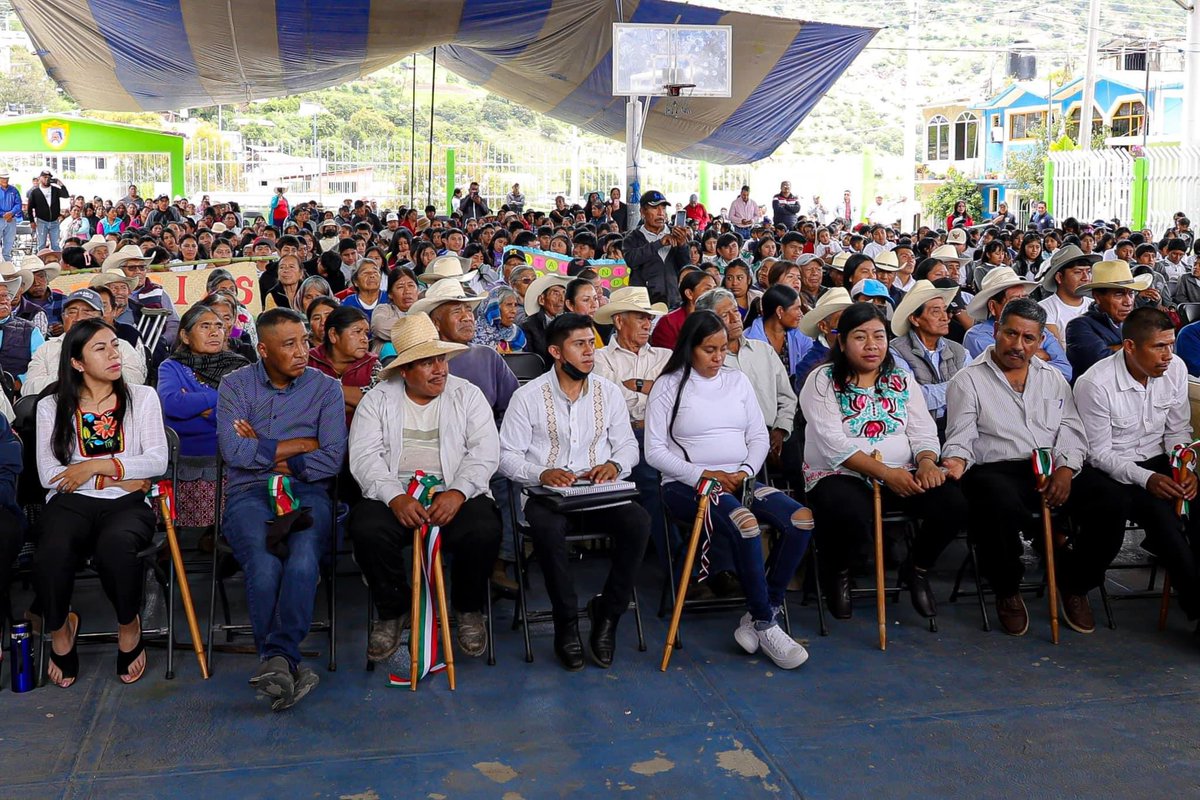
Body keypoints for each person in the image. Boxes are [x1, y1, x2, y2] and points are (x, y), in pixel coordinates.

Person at [646, 310, 812, 669]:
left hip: (742, 478)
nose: (719, 357)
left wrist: (746, 470)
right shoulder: (668, 385)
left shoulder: (736, 381)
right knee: (745, 523)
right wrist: (702, 473)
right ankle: (767, 623)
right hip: (687, 485)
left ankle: (760, 612)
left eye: (723, 349)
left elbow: (757, 434)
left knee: (801, 519)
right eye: (710, 349)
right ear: (689, 347)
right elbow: (655, 451)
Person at [498, 313, 650, 671]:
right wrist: (542, 473)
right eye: (579, 344)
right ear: (556, 351)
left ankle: (608, 615)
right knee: (548, 530)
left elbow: (628, 446)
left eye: (591, 343)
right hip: (546, 496)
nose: (589, 352)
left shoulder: (607, 392)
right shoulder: (528, 396)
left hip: (597, 493)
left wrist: (614, 466)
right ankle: (565, 622)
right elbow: (505, 456)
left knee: (638, 522)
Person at [348, 312, 502, 661]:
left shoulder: (468, 395)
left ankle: (468, 608)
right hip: (398, 498)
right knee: (366, 527)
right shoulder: (378, 400)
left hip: (454, 495)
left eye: (441, 360)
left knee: (484, 526)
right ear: (404, 371)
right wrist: (395, 497)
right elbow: (364, 458)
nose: (440, 369)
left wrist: (459, 491)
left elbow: (485, 453)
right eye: (427, 363)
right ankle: (393, 609)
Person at [942, 298, 1100, 636]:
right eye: (1010, 334)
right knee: (994, 498)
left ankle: (1076, 582)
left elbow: (1071, 429)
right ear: (996, 331)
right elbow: (961, 437)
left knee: (1111, 499)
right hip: (997, 468)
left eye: (1028, 338)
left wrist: (1066, 470)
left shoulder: (1054, 378)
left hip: (1052, 467)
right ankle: (1008, 589)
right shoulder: (967, 381)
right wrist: (953, 461)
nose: (1017, 345)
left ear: (1040, 341)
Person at [216, 308, 347, 710]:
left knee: (305, 558)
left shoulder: (326, 389)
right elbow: (233, 452)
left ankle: (277, 659)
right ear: (263, 350)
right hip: (248, 494)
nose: (302, 351)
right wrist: (302, 444)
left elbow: (332, 458)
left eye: (306, 341)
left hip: (307, 491)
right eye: (289, 344)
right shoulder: (235, 385)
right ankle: (286, 661)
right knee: (264, 561)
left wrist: (263, 447)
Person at [800, 302, 965, 620]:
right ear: (842, 341)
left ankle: (916, 568)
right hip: (838, 474)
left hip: (901, 472)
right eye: (860, 337)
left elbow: (923, 432)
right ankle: (839, 572)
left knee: (952, 505)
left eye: (878, 335)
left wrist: (928, 462)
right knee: (850, 512)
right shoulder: (823, 380)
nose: (872, 345)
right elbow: (835, 446)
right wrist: (886, 474)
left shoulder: (900, 379)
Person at [34, 318, 168, 687]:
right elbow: (50, 474)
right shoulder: (52, 406)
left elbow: (157, 460)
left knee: (117, 547)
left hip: (126, 503)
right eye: (101, 348)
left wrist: (94, 466)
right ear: (77, 362)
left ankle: (129, 624)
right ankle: (61, 629)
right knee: (53, 551)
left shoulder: (142, 397)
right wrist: (123, 472)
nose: (114, 354)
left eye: (114, 345)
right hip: (70, 501)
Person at [1073, 307, 1200, 625]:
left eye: (1170, 344)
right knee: (1165, 521)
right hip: (1113, 469)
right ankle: (1199, 612)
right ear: (1130, 346)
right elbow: (1098, 453)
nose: (1168, 355)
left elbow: (1177, 430)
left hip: (1159, 459)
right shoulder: (1096, 384)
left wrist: (1186, 469)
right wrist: (1148, 479)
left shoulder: (1175, 369)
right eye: (1159, 346)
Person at [157, 304, 247, 528]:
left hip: (228, 459)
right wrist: (222, 398)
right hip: (184, 459)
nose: (214, 332)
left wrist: (197, 405)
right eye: (204, 326)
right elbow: (172, 405)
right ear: (185, 336)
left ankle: (218, 544)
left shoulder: (239, 366)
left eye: (219, 326)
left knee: (232, 527)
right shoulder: (172, 366)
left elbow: (243, 417)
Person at [409, 278, 518, 421]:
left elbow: (513, 408)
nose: (467, 317)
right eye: (456, 312)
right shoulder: (421, 362)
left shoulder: (489, 356)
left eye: (468, 310)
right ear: (436, 323)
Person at [964, 267, 1073, 383]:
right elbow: (1009, 374)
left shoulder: (1041, 331)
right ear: (993, 306)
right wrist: (1042, 356)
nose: (1023, 305)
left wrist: (1026, 360)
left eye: (1025, 298)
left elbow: (1065, 372)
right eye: (1015, 300)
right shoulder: (977, 336)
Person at [889, 280, 967, 430]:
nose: (945, 317)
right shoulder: (896, 351)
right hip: (916, 429)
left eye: (945, 310)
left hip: (958, 428)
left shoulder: (959, 350)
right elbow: (912, 398)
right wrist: (957, 388)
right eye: (936, 312)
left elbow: (973, 390)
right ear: (915, 319)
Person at [1066, 260, 1150, 380]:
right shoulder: (1079, 326)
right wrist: (1140, 348)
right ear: (1098, 297)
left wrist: (1117, 348)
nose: (1128, 302)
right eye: (1119, 295)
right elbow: (1102, 363)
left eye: (1131, 293)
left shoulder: (1136, 322)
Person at [307, 305, 380, 427]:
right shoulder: (308, 361)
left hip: (362, 440)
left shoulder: (373, 364)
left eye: (366, 333)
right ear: (333, 335)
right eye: (357, 332)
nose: (364, 339)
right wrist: (355, 401)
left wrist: (324, 388)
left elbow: (377, 403)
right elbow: (301, 405)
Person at [623, 190, 691, 308]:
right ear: (642, 211)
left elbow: (686, 266)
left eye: (663, 208)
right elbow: (631, 260)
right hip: (645, 306)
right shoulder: (633, 237)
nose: (660, 213)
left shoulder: (676, 234)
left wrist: (682, 246)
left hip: (675, 303)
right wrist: (658, 243)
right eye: (654, 208)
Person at [745, 283, 813, 381]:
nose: (801, 314)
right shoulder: (749, 340)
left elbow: (810, 365)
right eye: (797, 308)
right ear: (780, 311)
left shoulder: (801, 334)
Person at [1038, 245, 1100, 346]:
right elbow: (1056, 350)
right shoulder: (1044, 309)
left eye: (1088, 272)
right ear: (1059, 277)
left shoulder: (1095, 306)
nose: (1086, 278)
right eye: (1078, 272)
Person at [0, 269, 45, 391]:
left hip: (17, 397)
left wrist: (20, 382)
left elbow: (43, 365)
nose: (3, 300)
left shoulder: (30, 330)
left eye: (6, 295)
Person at [650, 271, 715, 350]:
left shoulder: (717, 318)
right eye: (707, 289)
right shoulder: (669, 323)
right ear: (689, 294)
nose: (714, 294)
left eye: (715, 289)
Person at [520, 272, 571, 366]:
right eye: (556, 294)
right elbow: (531, 361)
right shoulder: (529, 326)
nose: (562, 299)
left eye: (564, 293)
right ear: (542, 300)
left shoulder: (570, 322)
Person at [370, 266, 419, 353]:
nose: (407, 291)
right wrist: (420, 329)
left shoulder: (425, 309)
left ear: (418, 290)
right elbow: (379, 326)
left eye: (411, 285)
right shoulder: (384, 309)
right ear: (390, 294)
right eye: (400, 287)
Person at [473, 286, 526, 353]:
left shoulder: (516, 333)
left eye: (515, 305)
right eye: (509, 305)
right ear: (494, 308)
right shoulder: (473, 333)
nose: (514, 311)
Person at [26, 170, 69, 252]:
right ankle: (41, 262)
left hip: (54, 221)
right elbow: (29, 208)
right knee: (41, 244)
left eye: (49, 177)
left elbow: (66, 195)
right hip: (41, 221)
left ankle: (56, 262)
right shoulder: (35, 192)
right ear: (40, 178)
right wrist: (32, 221)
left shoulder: (55, 190)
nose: (47, 179)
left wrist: (60, 184)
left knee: (56, 245)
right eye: (45, 177)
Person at [0, 169, 22, 261]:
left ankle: (7, 266)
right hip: (1, 219)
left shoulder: (14, 190)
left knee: (9, 243)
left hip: (11, 220)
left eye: (7, 178)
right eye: (3, 178)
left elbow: (18, 204)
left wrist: (11, 213)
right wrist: (4, 215)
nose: (5, 180)